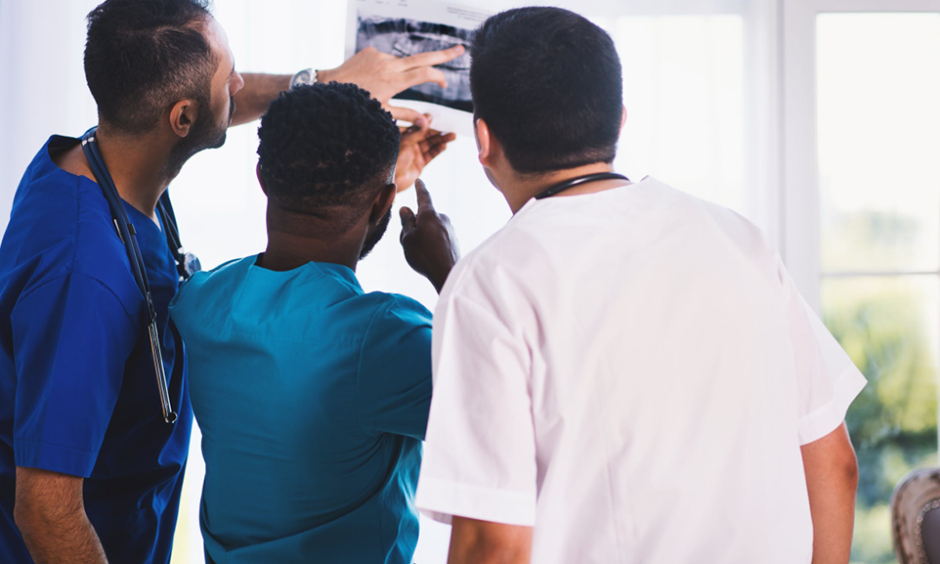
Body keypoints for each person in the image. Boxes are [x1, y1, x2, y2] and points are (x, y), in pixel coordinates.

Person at [0, 0, 461, 562]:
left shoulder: (98, 163)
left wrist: (351, 166)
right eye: (229, 77)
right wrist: (437, 261)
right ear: (182, 118)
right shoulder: (84, 278)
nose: (240, 84)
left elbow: (212, 115)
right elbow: (45, 510)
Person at [414, 7, 865, 564]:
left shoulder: (489, 281)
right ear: (620, 121)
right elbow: (834, 465)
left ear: (482, 139)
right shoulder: (740, 240)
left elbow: (494, 545)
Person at [168, 82, 458, 563]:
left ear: (262, 178)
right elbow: (510, 408)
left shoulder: (200, 302)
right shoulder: (384, 339)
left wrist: (374, 186)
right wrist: (450, 270)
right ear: (384, 202)